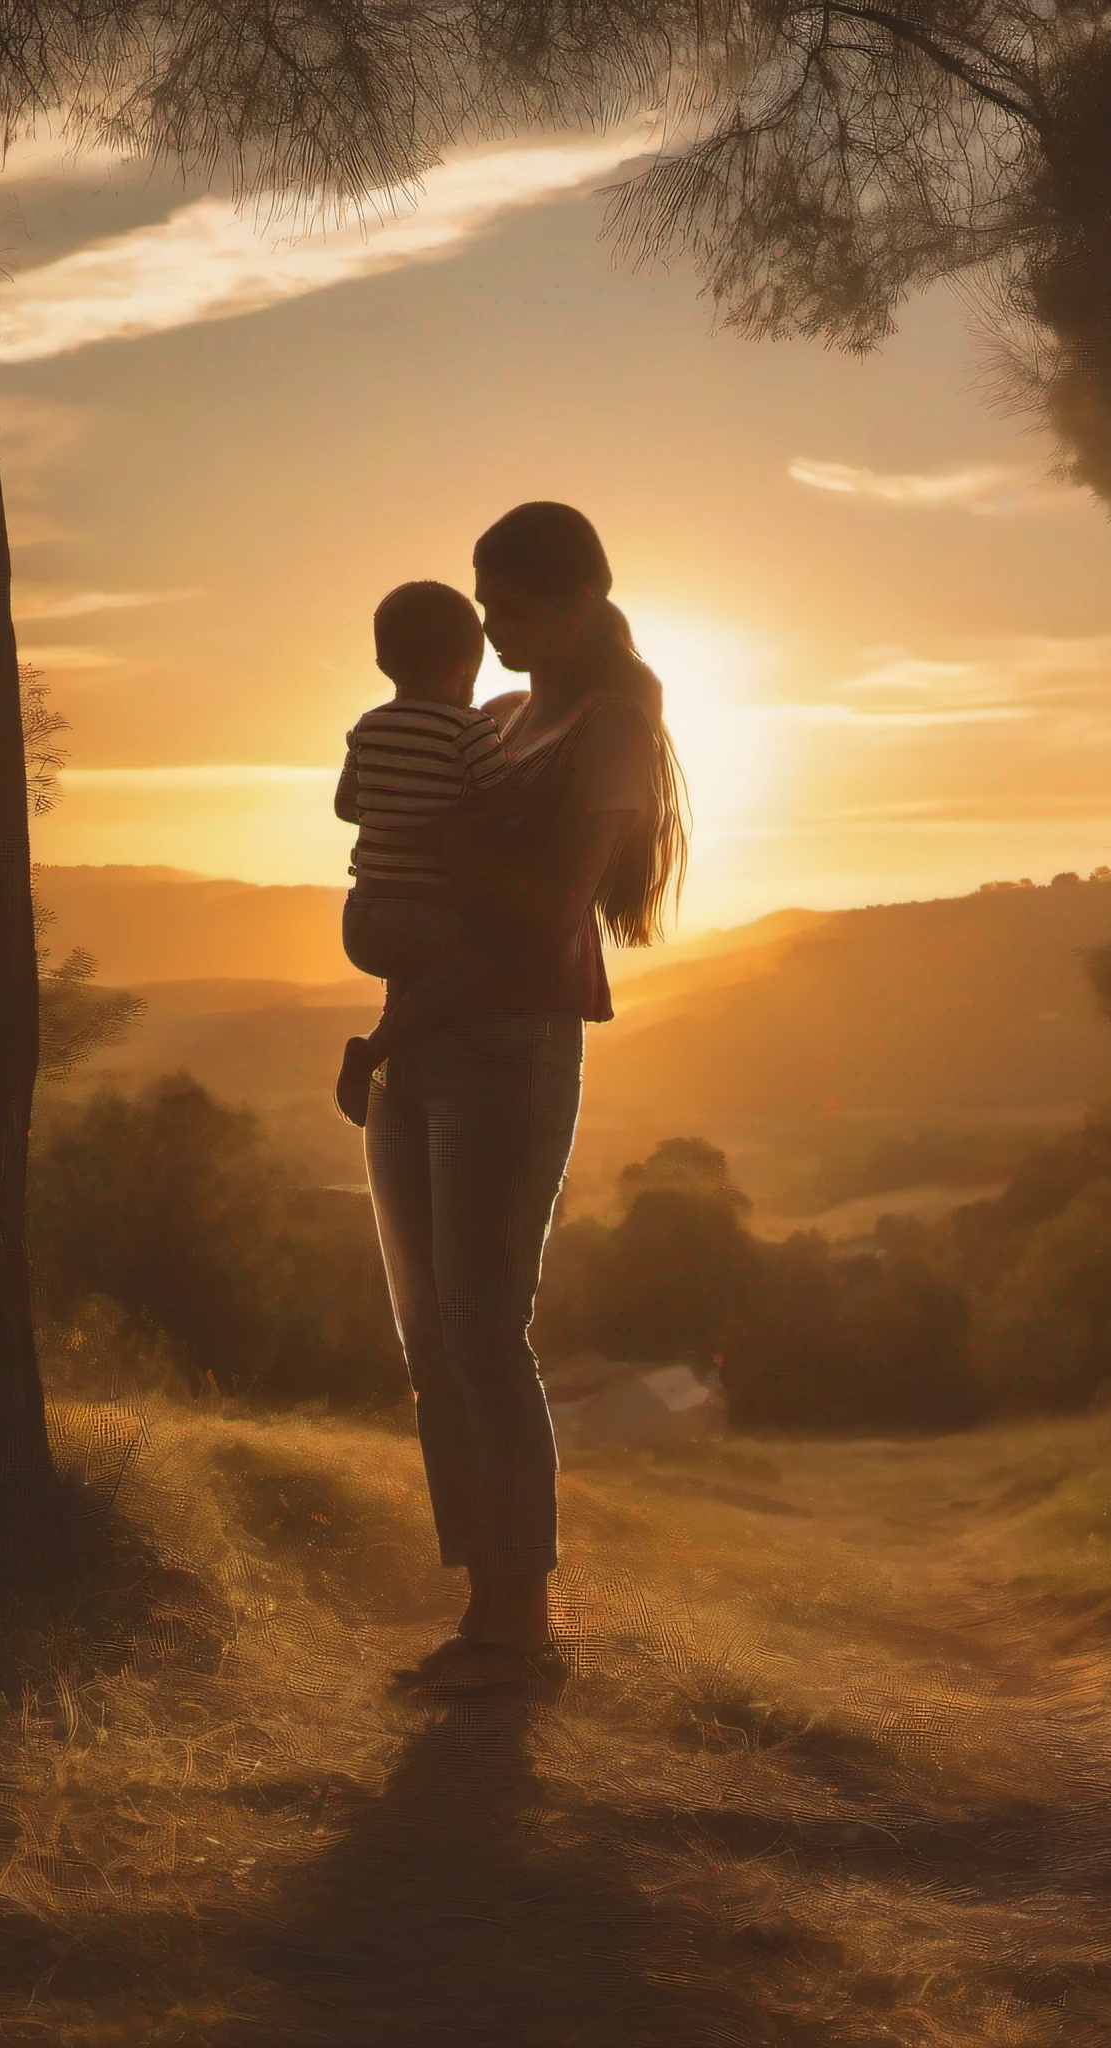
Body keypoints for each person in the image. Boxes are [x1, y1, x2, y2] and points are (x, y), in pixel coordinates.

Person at [364, 502, 689, 1699]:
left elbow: (552, 909)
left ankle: (521, 1621)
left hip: (509, 1043)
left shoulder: (609, 729)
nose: (488, 627)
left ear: (572, 604)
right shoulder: (498, 717)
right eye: (482, 602)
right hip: (421, 1031)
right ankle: (480, 1605)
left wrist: (434, 829)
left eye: (506, 606)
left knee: (483, 1330)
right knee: (428, 1340)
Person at [332, 581, 513, 1127]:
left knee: (412, 985)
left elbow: (346, 806)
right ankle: (372, 1050)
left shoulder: (366, 727)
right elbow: (503, 807)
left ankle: (391, 1093)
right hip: (424, 915)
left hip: (361, 918)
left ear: (385, 660)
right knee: (479, 967)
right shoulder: (471, 729)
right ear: (466, 668)